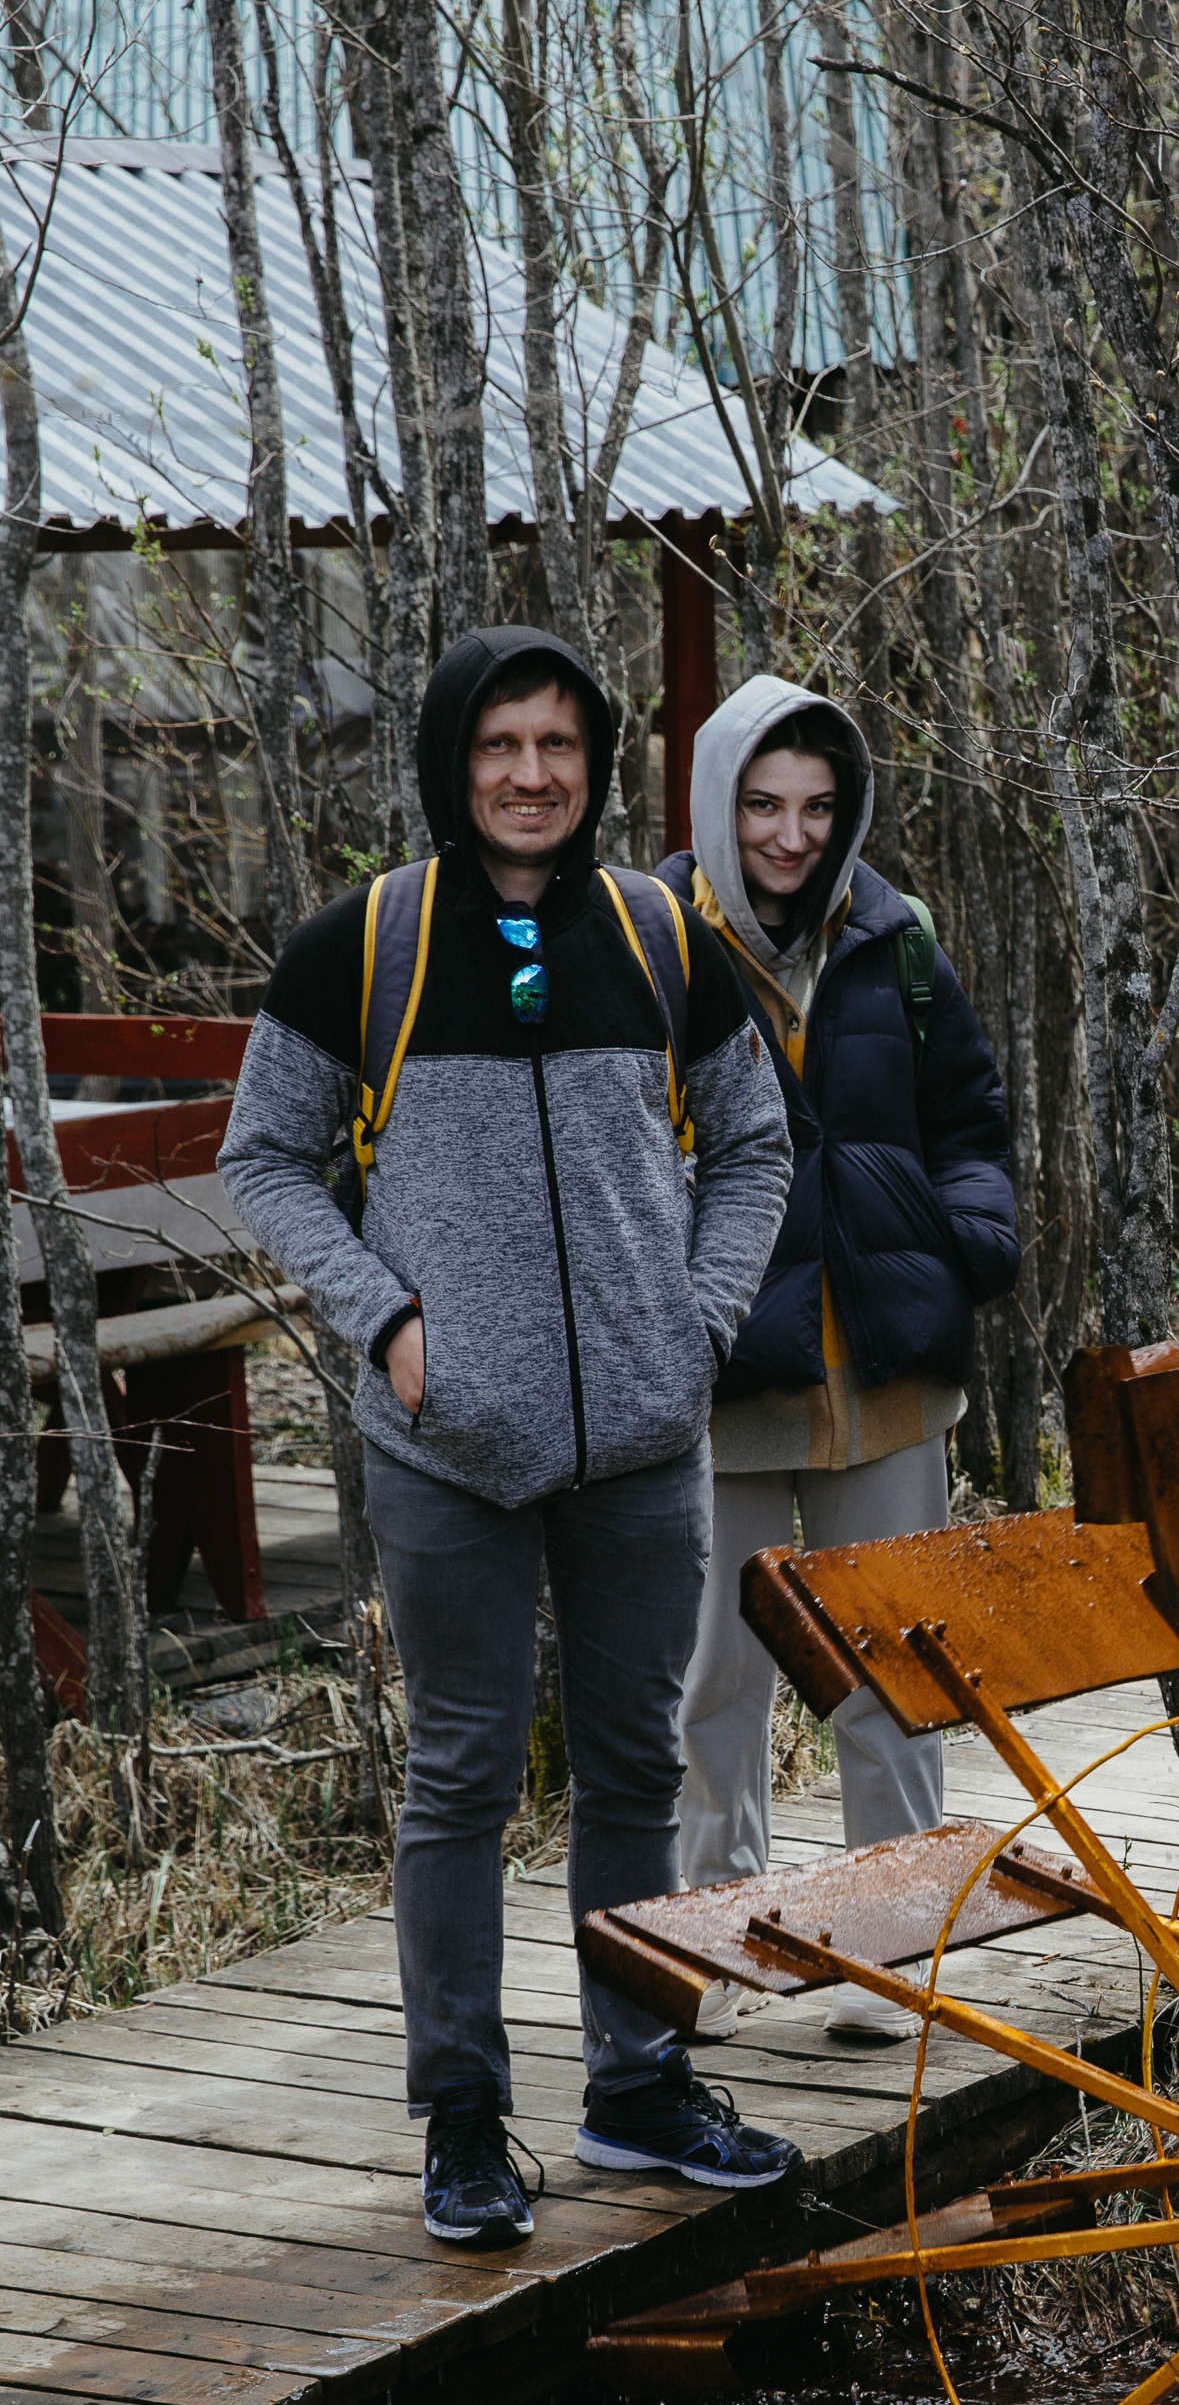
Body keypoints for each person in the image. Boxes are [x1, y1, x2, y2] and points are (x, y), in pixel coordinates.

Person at [219, 627, 803, 2245]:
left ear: (595, 765)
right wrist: (391, 1321)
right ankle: (464, 2116)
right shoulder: (368, 948)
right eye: (499, 748)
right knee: (464, 1776)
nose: (531, 776)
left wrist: (694, 1324)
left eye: (557, 747)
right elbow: (262, 1157)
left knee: (635, 1763)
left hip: (639, 1443)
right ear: (450, 765)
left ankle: (638, 2088)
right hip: (444, 1448)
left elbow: (754, 1142)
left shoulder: (661, 936)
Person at [660, 675, 1016, 2036]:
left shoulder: (897, 934)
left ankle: (889, 1958)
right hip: (723, 1373)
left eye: (817, 805)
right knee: (713, 1684)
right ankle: (719, 1946)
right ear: (716, 802)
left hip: (886, 1371)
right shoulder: (651, 938)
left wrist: (965, 1238)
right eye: (762, 804)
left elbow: (970, 1118)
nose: (792, 834)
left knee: (890, 1673)